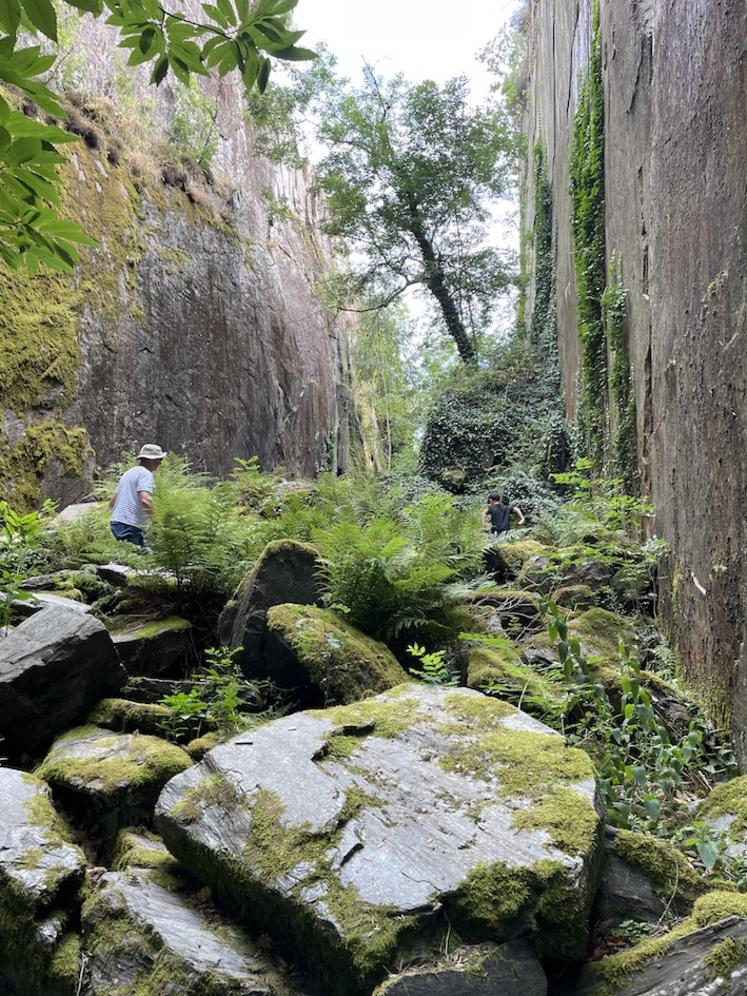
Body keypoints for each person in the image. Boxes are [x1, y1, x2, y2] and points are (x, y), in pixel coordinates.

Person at [109, 444, 167, 546]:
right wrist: (155, 520)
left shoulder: (129, 473)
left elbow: (112, 501)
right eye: (159, 459)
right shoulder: (146, 474)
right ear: (151, 460)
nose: (160, 463)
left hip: (117, 522)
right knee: (133, 554)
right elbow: (145, 499)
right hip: (130, 525)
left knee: (141, 553)